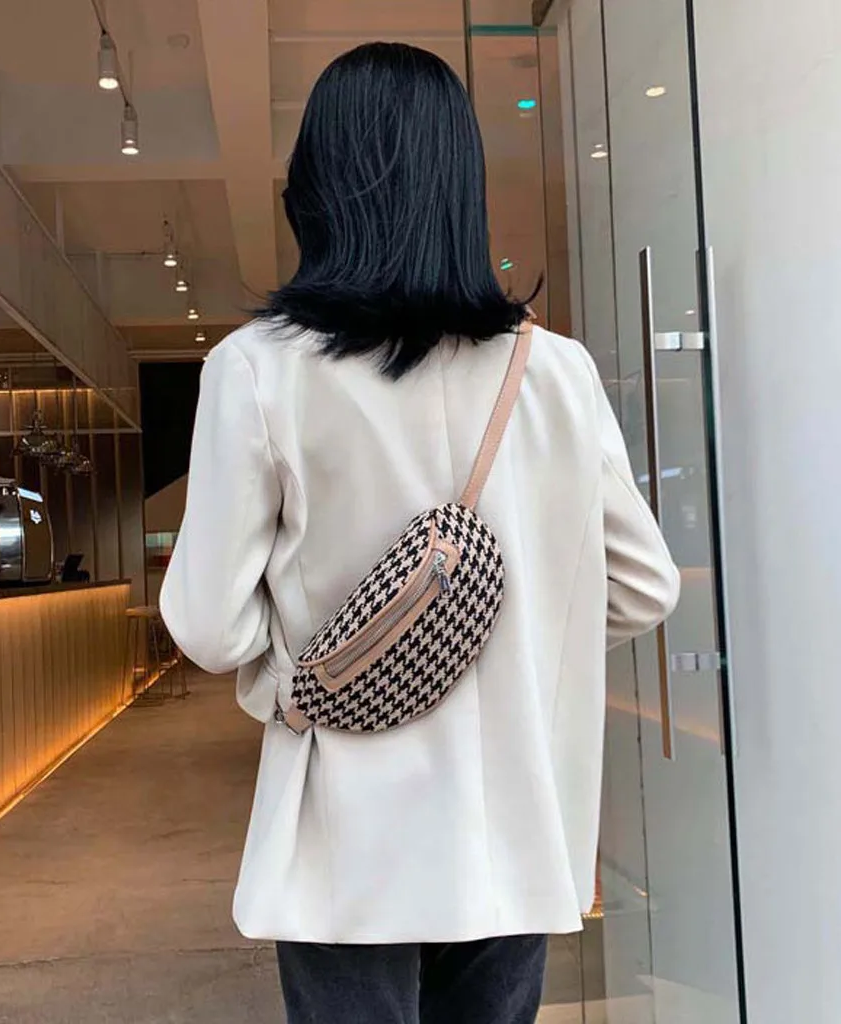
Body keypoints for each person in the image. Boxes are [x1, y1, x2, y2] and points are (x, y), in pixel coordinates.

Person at [160, 42, 679, 1024]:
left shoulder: (259, 370)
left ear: (316, 188)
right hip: (510, 832)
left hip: (347, 833)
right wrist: (514, 640)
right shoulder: (552, 371)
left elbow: (208, 625)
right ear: (459, 184)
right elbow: (643, 584)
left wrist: (310, 671)